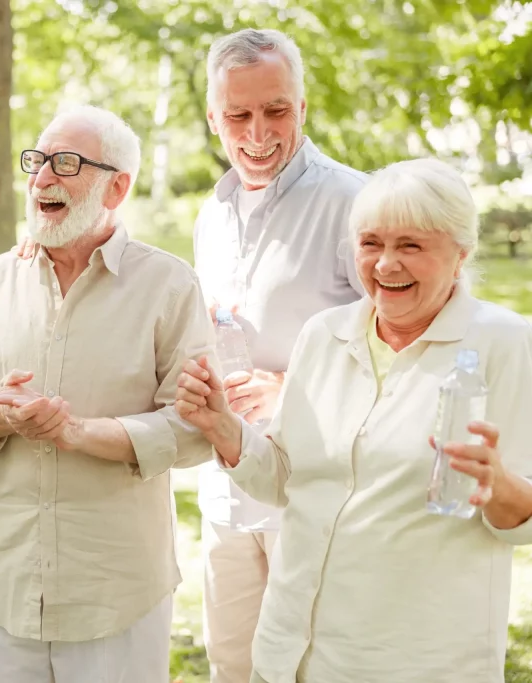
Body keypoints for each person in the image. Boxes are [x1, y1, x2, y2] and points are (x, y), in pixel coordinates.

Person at [176, 158, 532, 683]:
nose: (386, 265)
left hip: (411, 659)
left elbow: (521, 520)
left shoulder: (505, 343)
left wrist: (499, 487)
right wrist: (223, 427)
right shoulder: (324, 335)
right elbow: (285, 478)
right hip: (289, 652)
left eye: (410, 245)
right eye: (371, 243)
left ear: (460, 254)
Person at [0, 105, 217, 683]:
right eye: (38, 162)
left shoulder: (169, 285)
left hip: (115, 593)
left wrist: (81, 433)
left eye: (66, 163)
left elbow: (195, 427)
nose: (42, 179)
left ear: (118, 186)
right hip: (5, 586)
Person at [191, 28, 367, 682]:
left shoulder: (354, 202)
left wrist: (292, 383)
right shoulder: (213, 213)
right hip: (228, 486)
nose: (257, 132)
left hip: (316, 491)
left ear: (303, 105)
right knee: (233, 665)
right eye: (238, 115)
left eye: (276, 110)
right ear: (213, 117)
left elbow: (398, 341)